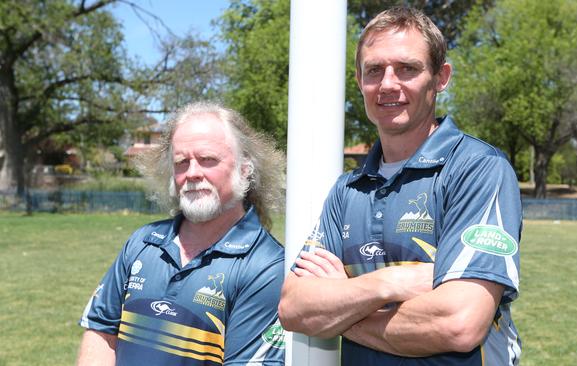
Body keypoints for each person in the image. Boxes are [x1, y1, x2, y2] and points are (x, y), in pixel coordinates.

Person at [279, 6, 522, 366]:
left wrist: (341, 310)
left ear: (441, 77)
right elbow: (293, 309)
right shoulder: (348, 190)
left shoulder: (477, 169)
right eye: (374, 70)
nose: (388, 83)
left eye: (407, 68)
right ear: (359, 81)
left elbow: (458, 324)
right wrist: (389, 283)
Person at [77, 101, 286, 366]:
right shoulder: (142, 242)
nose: (192, 173)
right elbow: (101, 333)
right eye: (181, 162)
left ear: (245, 168)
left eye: (207, 160)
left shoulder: (266, 266)